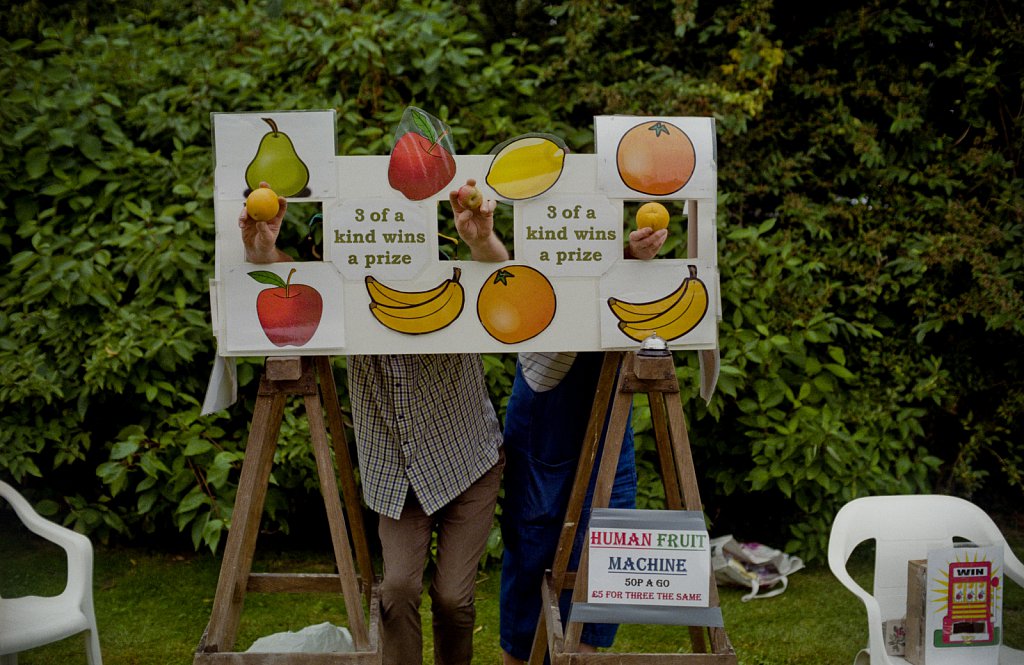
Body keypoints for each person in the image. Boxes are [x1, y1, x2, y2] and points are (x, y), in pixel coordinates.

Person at [240, 180, 508, 665]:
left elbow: (498, 275)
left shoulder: (447, 287)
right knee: (397, 589)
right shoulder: (344, 297)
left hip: (466, 458)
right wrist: (262, 251)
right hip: (397, 471)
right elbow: (288, 285)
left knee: (453, 598)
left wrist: (482, 238)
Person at [499, 225, 667, 664]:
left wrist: (630, 254)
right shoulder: (538, 226)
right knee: (533, 540)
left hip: (607, 386)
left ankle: (583, 653)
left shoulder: (603, 222)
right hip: (547, 388)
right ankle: (525, 655)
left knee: (605, 535)